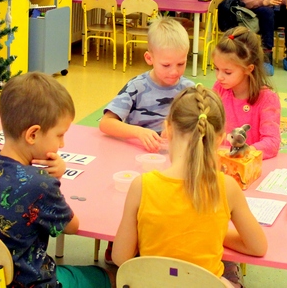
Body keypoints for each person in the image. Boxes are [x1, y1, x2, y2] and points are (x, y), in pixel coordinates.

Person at [0, 73, 113, 288]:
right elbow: (71, 226)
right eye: (59, 135)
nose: (62, 144)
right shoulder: (40, 185)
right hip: (27, 283)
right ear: (32, 134)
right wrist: (53, 182)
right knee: (108, 277)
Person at [112, 84, 267, 287]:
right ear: (221, 138)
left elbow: (120, 258)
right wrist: (212, 232)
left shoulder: (141, 186)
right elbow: (257, 247)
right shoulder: (227, 187)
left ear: (168, 129)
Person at [99, 17, 195, 152]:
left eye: (181, 64)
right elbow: (105, 123)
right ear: (149, 58)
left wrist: (180, 130)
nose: (174, 71)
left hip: (174, 155)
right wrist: (138, 132)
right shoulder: (136, 87)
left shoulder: (189, 90)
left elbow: (200, 124)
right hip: (137, 152)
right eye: (166, 65)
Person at [212, 27, 280, 159]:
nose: (219, 77)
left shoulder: (267, 98)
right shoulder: (219, 89)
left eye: (227, 72)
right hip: (222, 162)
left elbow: (272, 142)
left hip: (251, 165)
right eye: (216, 69)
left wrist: (246, 151)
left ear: (248, 69)